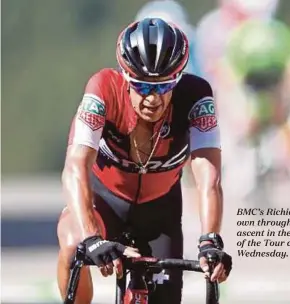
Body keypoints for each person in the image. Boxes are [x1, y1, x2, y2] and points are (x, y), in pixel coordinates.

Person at [57, 17, 232, 304]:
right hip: (104, 203)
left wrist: (210, 238)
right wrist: (91, 237)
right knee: (72, 244)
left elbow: (209, 178)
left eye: (164, 86)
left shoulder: (196, 96)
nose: (153, 98)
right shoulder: (103, 88)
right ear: (125, 77)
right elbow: (75, 167)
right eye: (143, 86)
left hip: (159, 212)